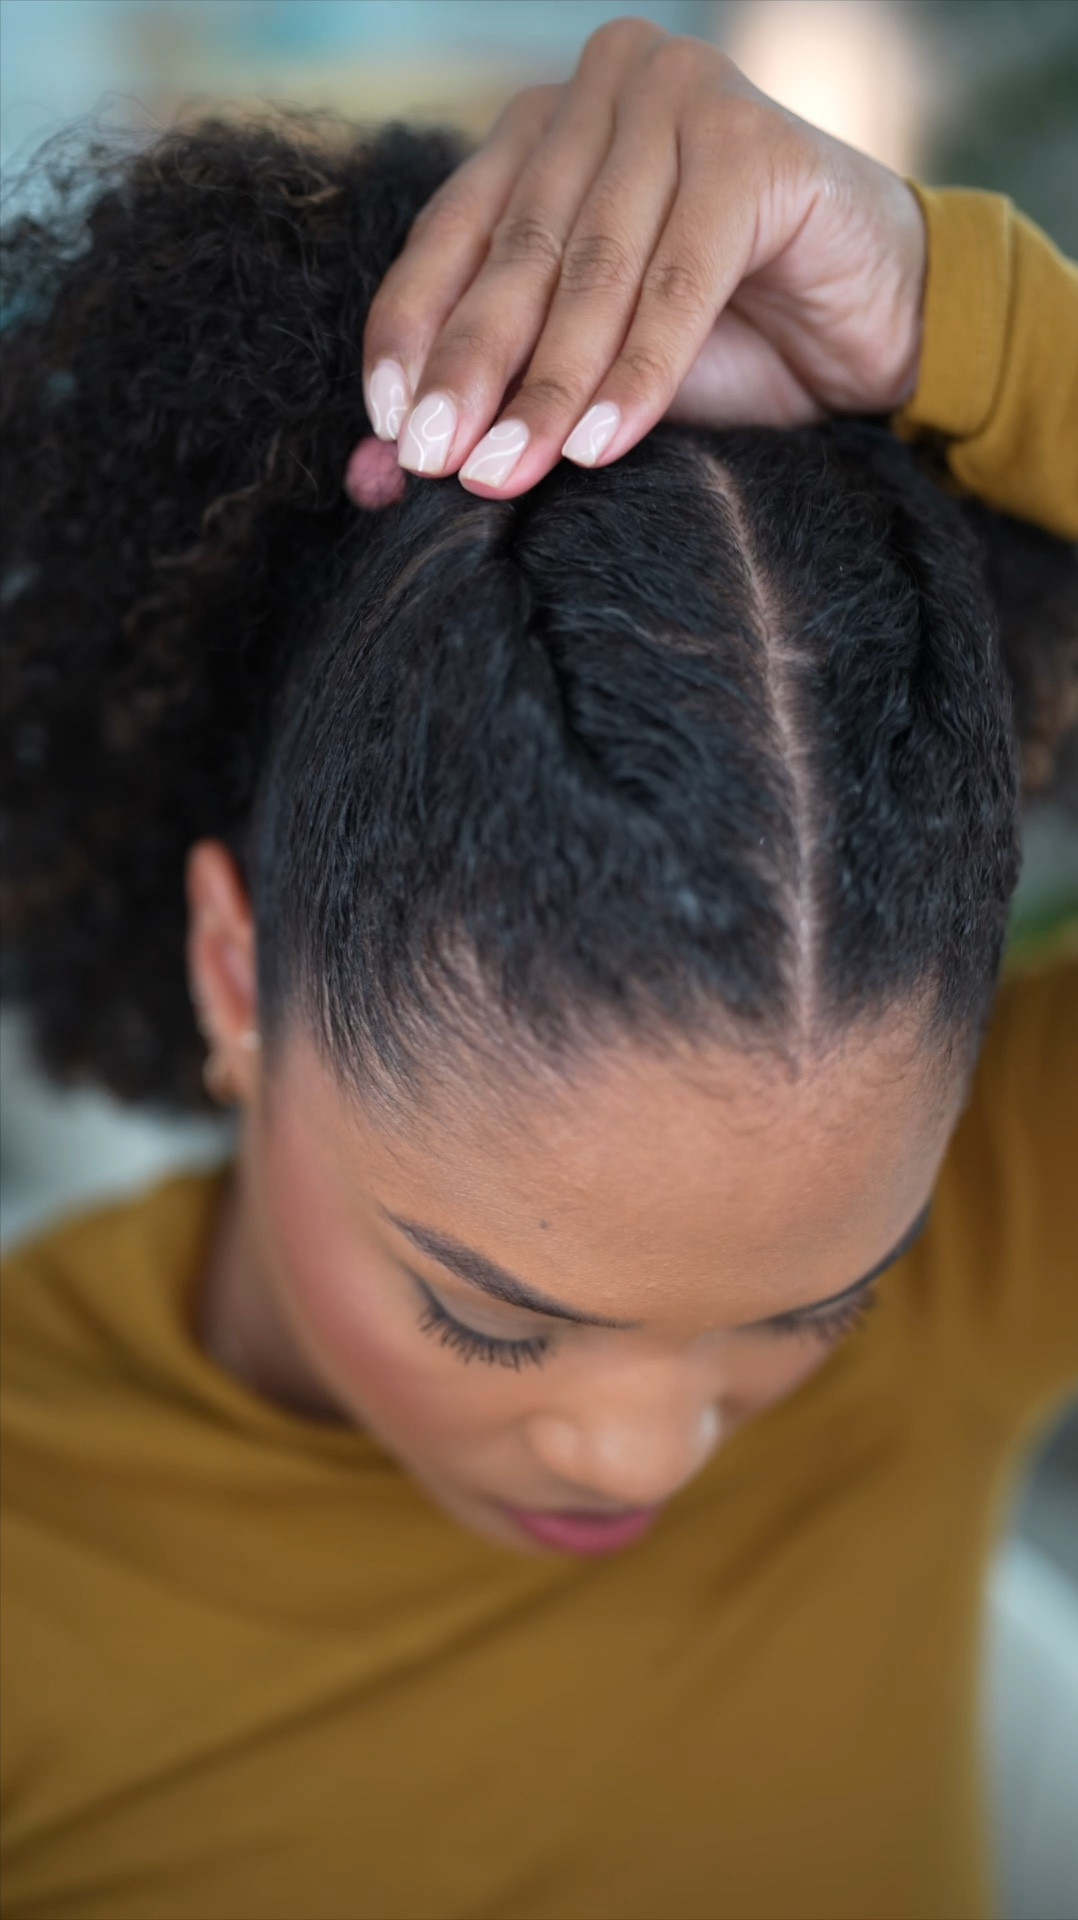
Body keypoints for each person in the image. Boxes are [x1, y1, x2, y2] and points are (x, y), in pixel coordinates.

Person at [1, 20, 1075, 1920]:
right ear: (237, 980)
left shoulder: (988, 1248)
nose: (640, 1449)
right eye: (493, 1315)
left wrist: (950, 315)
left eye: (814, 1309)